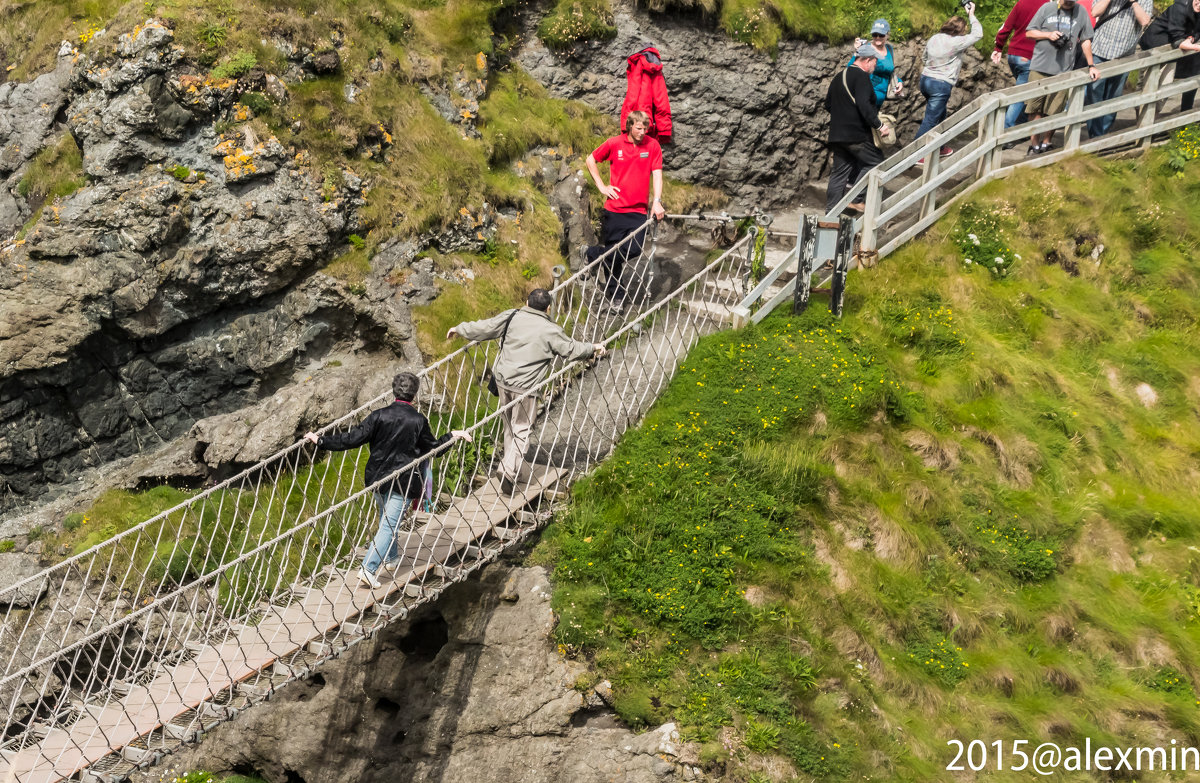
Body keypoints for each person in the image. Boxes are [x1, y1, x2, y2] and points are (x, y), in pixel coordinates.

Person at [304, 373, 472, 589]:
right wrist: (452, 436)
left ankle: (391, 559)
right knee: (390, 525)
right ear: (415, 394)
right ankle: (369, 568)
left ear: (394, 390)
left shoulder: (378, 416)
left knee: (386, 519)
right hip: (403, 482)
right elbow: (433, 449)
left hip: (377, 479)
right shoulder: (418, 420)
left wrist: (321, 441)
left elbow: (352, 438)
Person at [446, 289, 606, 496]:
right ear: (549, 308)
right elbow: (571, 350)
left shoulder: (512, 316)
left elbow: (485, 327)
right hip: (526, 388)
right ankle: (508, 470)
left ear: (526, 302)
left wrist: (459, 329)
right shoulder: (551, 330)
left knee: (509, 426)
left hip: (503, 382)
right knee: (521, 429)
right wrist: (592, 347)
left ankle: (515, 470)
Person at [582, 110, 666, 303]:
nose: (643, 132)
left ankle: (592, 253)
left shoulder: (652, 145)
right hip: (614, 210)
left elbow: (658, 174)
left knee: (633, 250)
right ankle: (616, 295)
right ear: (629, 126)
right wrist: (602, 186)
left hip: (638, 210)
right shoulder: (614, 143)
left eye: (645, 128)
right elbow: (590, 160)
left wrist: (657, 201)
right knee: (613, 257)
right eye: (638, 128)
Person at [1023, 0, 1100, 154]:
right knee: (1035, 109)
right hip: (1040, 67)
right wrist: (1048, 35)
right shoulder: (1047, 8)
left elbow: (1085, 40)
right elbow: (1029, 32)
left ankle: (1047, 142)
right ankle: (1034, 144)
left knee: (1054, 110)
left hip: (1063, 71)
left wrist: (1091, 65)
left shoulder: (1081, 12)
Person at [825, 44, 892, 214]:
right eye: (875, 63)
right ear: (868, 60)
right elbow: (864, 105)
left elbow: (828, 104)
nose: (875, 67)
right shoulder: (862, 78)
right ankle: (855, 199)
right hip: (856, 135)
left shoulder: (838, 77)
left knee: (839, 174)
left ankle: (831, 213)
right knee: (875, 162)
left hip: (837, 135)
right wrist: (880, 125)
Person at [915, 4, 984, 149]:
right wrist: (971, 14)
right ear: (961, 30)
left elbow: (924, 57)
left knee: (940, 114)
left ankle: (939, 147)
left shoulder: (934, 38)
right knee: (930, 120)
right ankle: (915, 156)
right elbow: (978, 34)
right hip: (940, 85)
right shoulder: (957, 42)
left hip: (925, 80)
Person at [1085, 0, 1154, 137]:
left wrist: (1134, 2)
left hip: (1124, 55)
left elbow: (1145, 21)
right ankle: (1096, 137)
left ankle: (1102, 134)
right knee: (1094, 96)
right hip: (1099, 50)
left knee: (1114, 98)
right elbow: (1094, 12)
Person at [993, 0, 1052, 129]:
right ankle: (1006, 128)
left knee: (1023, 90)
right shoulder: (1049, 6)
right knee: (1020, 95)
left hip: (1013, 54)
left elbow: (1006, 27)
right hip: (1029, 56)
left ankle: (1019, 123)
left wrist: (998, 47)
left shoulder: (1021, 3)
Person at [1140, 0, 1200, 113]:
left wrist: (1190, 39)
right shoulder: (1179, 7)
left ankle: (1153, 124)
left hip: (1170, 52)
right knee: (1147, 89)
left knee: (1163, 91)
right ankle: (1144, 125)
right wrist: (1195, 46)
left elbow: (1196, 33)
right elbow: (1177, 39)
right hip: (1154, 49)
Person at [621, 45, 673, 144]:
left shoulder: (638, 64)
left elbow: (633, 96)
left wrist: (625, 124)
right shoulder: (655, 69)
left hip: (636, 122)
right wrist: (664, 129)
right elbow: (661, 99)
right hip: (646, 121)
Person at [849, 19, 904, 108]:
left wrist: (899, 82)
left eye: (881, 35)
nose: (878, 37)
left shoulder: (889, 49)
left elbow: (889, 71)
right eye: (875, 34)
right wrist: (857, 51)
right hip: (865, 98)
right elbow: (851, 68)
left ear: (887, 35)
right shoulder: (866, 48)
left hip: (879, 100)